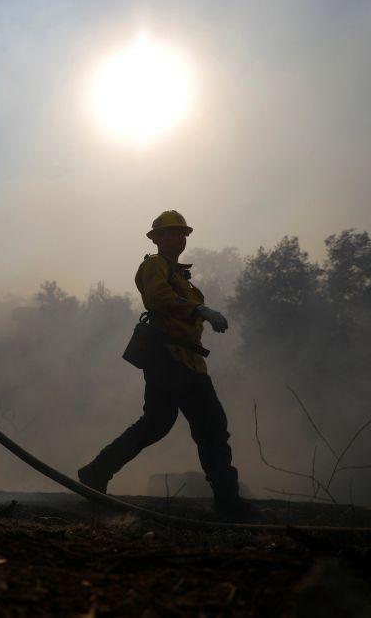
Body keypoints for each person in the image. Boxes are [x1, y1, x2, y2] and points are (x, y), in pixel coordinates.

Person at [77, 210, 255, 519]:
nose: (179, 238)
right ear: (157, 238)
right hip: (167, 358)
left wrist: (198, 308)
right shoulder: (153, 266)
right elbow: (158, 298)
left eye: (183, 233)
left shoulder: (182, 277)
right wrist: (200, 310)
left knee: (173, 424)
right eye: (172, 233)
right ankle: (228, 502)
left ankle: (97, 471)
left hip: (190, 361)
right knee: (198, 426)